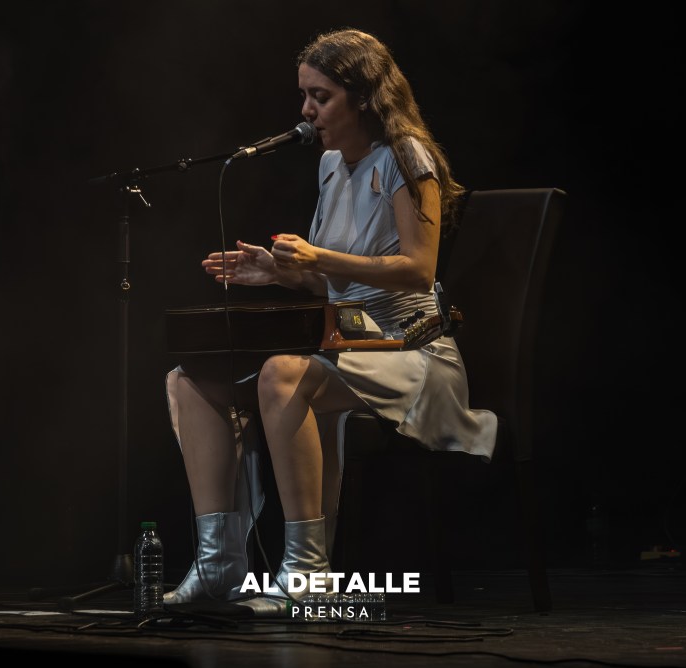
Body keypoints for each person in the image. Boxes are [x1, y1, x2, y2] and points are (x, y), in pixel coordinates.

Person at [162, 28, 497, 616]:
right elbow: (335, 284)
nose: (306, 111)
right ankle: (219, 566)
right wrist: (277, 272)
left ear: (363, 98)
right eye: (304, 95)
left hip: (413, 350)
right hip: (350, 341)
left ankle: (307, 575)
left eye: (320, 97)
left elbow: (418, 270)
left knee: (281, 374)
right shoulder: (330, 166)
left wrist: (318, 258)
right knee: (188, 382)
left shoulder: (406, 156)